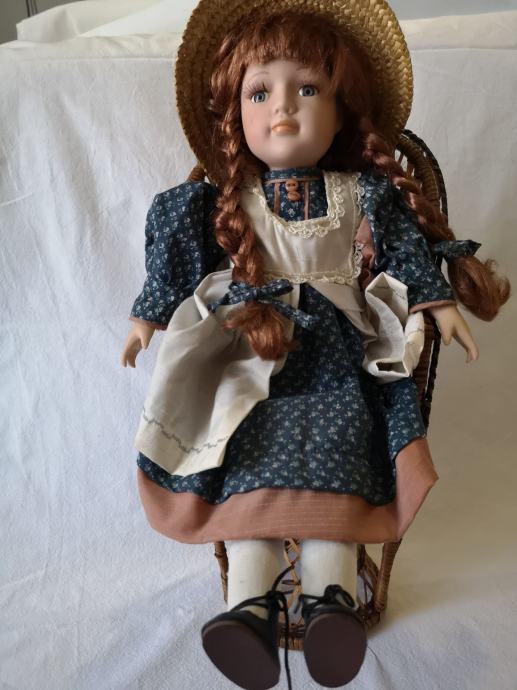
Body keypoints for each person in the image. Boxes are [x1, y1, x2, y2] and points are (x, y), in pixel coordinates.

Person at [120, 1, 509, 688]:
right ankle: (249, 609)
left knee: (344, 450)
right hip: (251, 362)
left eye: (307, 89)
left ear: (340, 110)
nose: (282, 108)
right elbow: (176, 267)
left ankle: (330, 601)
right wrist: (147, 317)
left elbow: (405, 251)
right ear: (233, 111)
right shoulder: (222, 202)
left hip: (336, 363)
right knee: (245, 458)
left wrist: (437, 303)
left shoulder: (363, 193)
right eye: (259, 92)